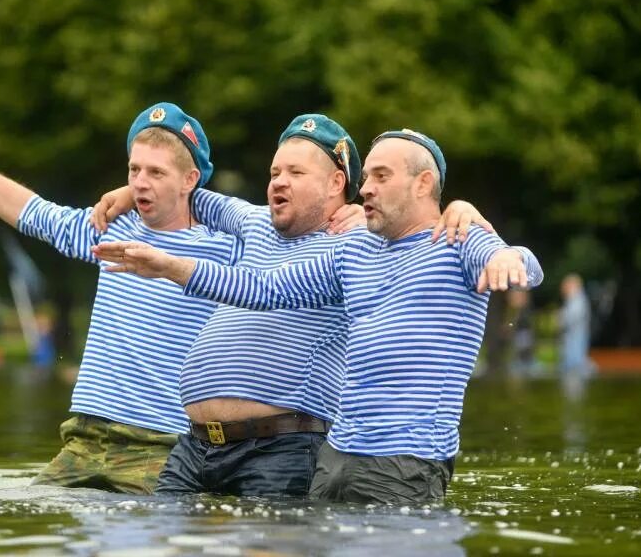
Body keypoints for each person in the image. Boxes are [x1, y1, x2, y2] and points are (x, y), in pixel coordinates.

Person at [98, 127, 544, 504]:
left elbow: (520, 263)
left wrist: (507, 257)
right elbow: (264, 288)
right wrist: (170, 267)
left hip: (406, 461)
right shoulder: (354, 251)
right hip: (335, 457)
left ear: (423, 184)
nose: (365, 187)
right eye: (365, 176)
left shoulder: (459, 240)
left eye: (380, 176)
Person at [0, 103, 242, 493]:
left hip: (161, 447)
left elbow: (277, 228)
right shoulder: (110, 226)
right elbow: (33, 213)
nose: (140, 182)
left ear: (190, 180)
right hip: (84, 440)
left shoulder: (225, 249)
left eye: (156, 172)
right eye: (134, 170)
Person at [558, 273, 593, 377]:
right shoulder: (574, 300)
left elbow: (569, 319)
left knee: (576, 366)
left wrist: (559, 318)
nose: (563, 290)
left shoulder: (578, 300)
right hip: (573, 342)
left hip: (575, 342)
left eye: (566, 286)